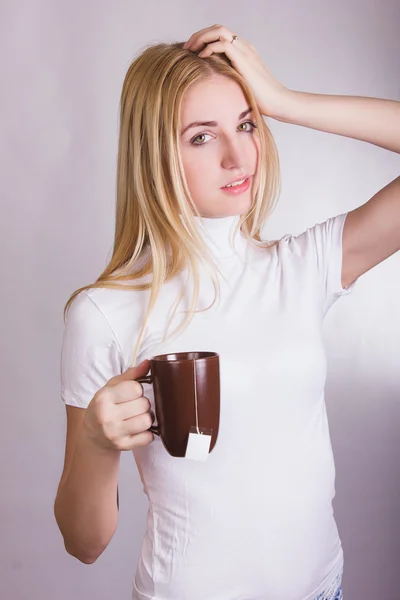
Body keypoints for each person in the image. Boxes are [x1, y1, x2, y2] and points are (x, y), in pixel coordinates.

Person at [54, 24, 400, 600]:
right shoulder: (105, 313)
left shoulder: (302, 267)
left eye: (246, 124)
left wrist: (284, 101)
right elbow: (83, 543)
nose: (239, 155)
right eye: (201, 137)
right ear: (155, 152)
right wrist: (94, 442)